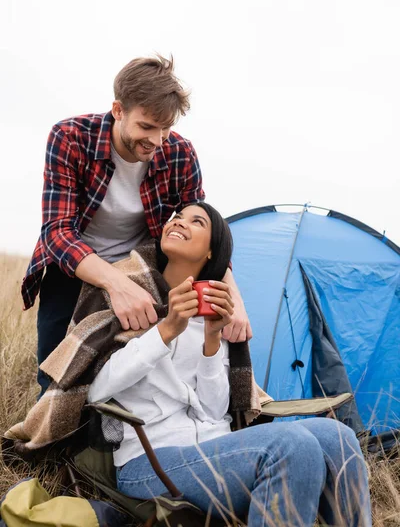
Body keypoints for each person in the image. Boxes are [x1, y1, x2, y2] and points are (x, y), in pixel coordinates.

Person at [88, 202, 372, 527]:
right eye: (177, 217)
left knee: (339, 437)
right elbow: (97, 390)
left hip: (215, 449)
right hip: (149, 462)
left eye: (197, 222)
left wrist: (211, 339)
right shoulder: (130, 299)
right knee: (293, 446)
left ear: (212, 252)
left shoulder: (213, 314)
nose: (180, 222)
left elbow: (212, 412)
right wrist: (166, 330)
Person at [21, 55, 251, 396]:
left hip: (142, 269)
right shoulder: (70, 137)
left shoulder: (180, 153)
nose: (157, 140)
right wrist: (116, 285)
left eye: (166, 128)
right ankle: (52, 447)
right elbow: (57, 231)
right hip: (72, 269)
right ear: (118, 110)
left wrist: (234, 295)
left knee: (134, 375)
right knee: (58, 377)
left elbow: (205, 231)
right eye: (146, 127)